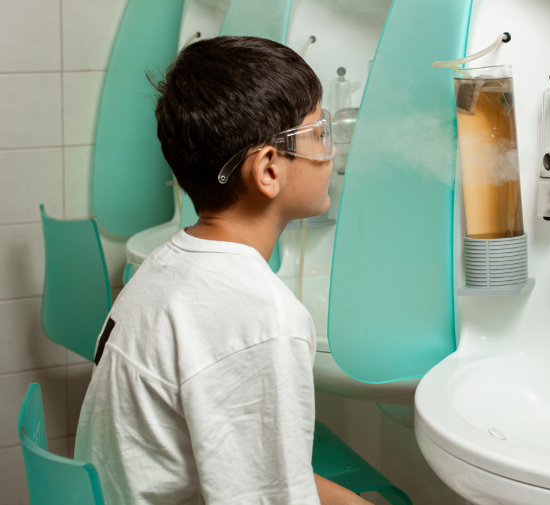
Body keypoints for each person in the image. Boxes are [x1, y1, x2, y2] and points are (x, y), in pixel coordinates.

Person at [75, 36, 371, 505]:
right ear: (268, 170)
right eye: (319, 134)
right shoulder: (263, 320)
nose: (331, 153)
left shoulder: (165, 266)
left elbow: (260, 475)